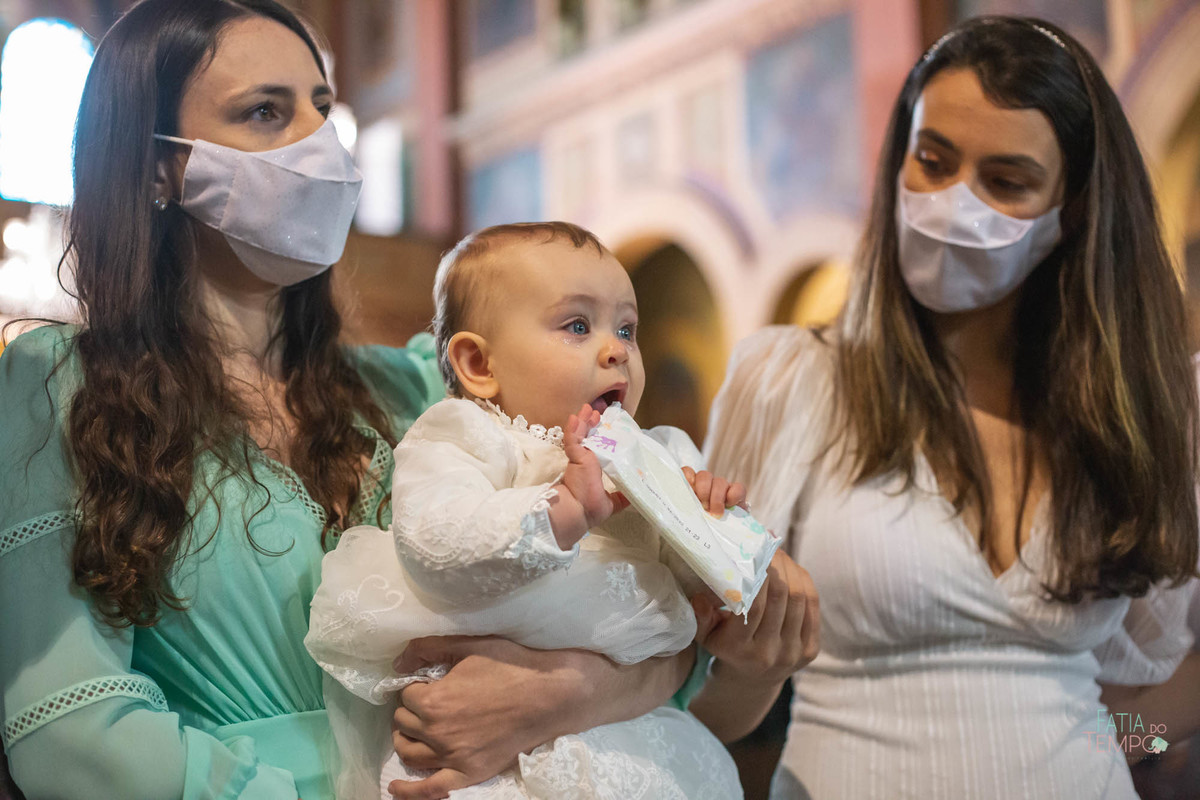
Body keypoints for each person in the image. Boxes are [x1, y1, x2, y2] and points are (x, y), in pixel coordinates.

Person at [0, 3, 758, 798]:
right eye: (266, 112)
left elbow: (649, 632)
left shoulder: (424, 389)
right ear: (159, 165)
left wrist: (561, 694)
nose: (319, 143)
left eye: (322, 108)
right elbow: (69, 731)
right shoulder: (58, 388)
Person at [705, 15, 1198, 800]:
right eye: (932, 162)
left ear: (1071, 210)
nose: (952, 202)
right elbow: (710, 707)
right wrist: (751, 667)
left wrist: (1102, 749)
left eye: (1005, 182)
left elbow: (1154, 687)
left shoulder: (1129, 414)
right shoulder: (791, 380)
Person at [305, 222, 820, 799]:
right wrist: (559, 512)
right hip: (486, 738)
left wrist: (709, 527)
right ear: (479, 364)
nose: (617, 349)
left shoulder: (656, 454)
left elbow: (687, 604)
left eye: (626, 328)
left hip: (626, 726)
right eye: (578, 325)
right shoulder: (464, 436)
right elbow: (435, 543)